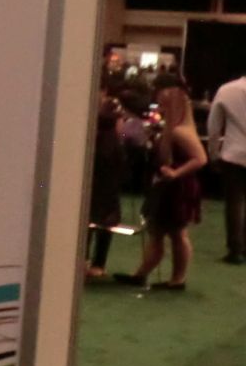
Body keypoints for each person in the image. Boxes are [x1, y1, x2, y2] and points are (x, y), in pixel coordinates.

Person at [116, 74, 207, 290]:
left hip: (177, 186)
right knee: (163, 232)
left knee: (174, 233)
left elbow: (200, 159)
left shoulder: (179, 131)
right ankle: (151, 274)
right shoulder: (175, 127)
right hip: (171, 185)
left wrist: (176, 173)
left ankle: (175, 278)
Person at [85, 82, 126, 279]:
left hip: (103, 178)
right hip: (105, 180)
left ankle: (93, 263)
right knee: (99, 219)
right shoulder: (111, 110)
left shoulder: (109, 107)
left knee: (96, 219)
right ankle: (93, 263)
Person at [207, 68, 246, 264]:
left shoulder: (226, 90)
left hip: (234, 154)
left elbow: (214, 125)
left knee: (234, 203)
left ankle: (235, 249)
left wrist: (213, 153)